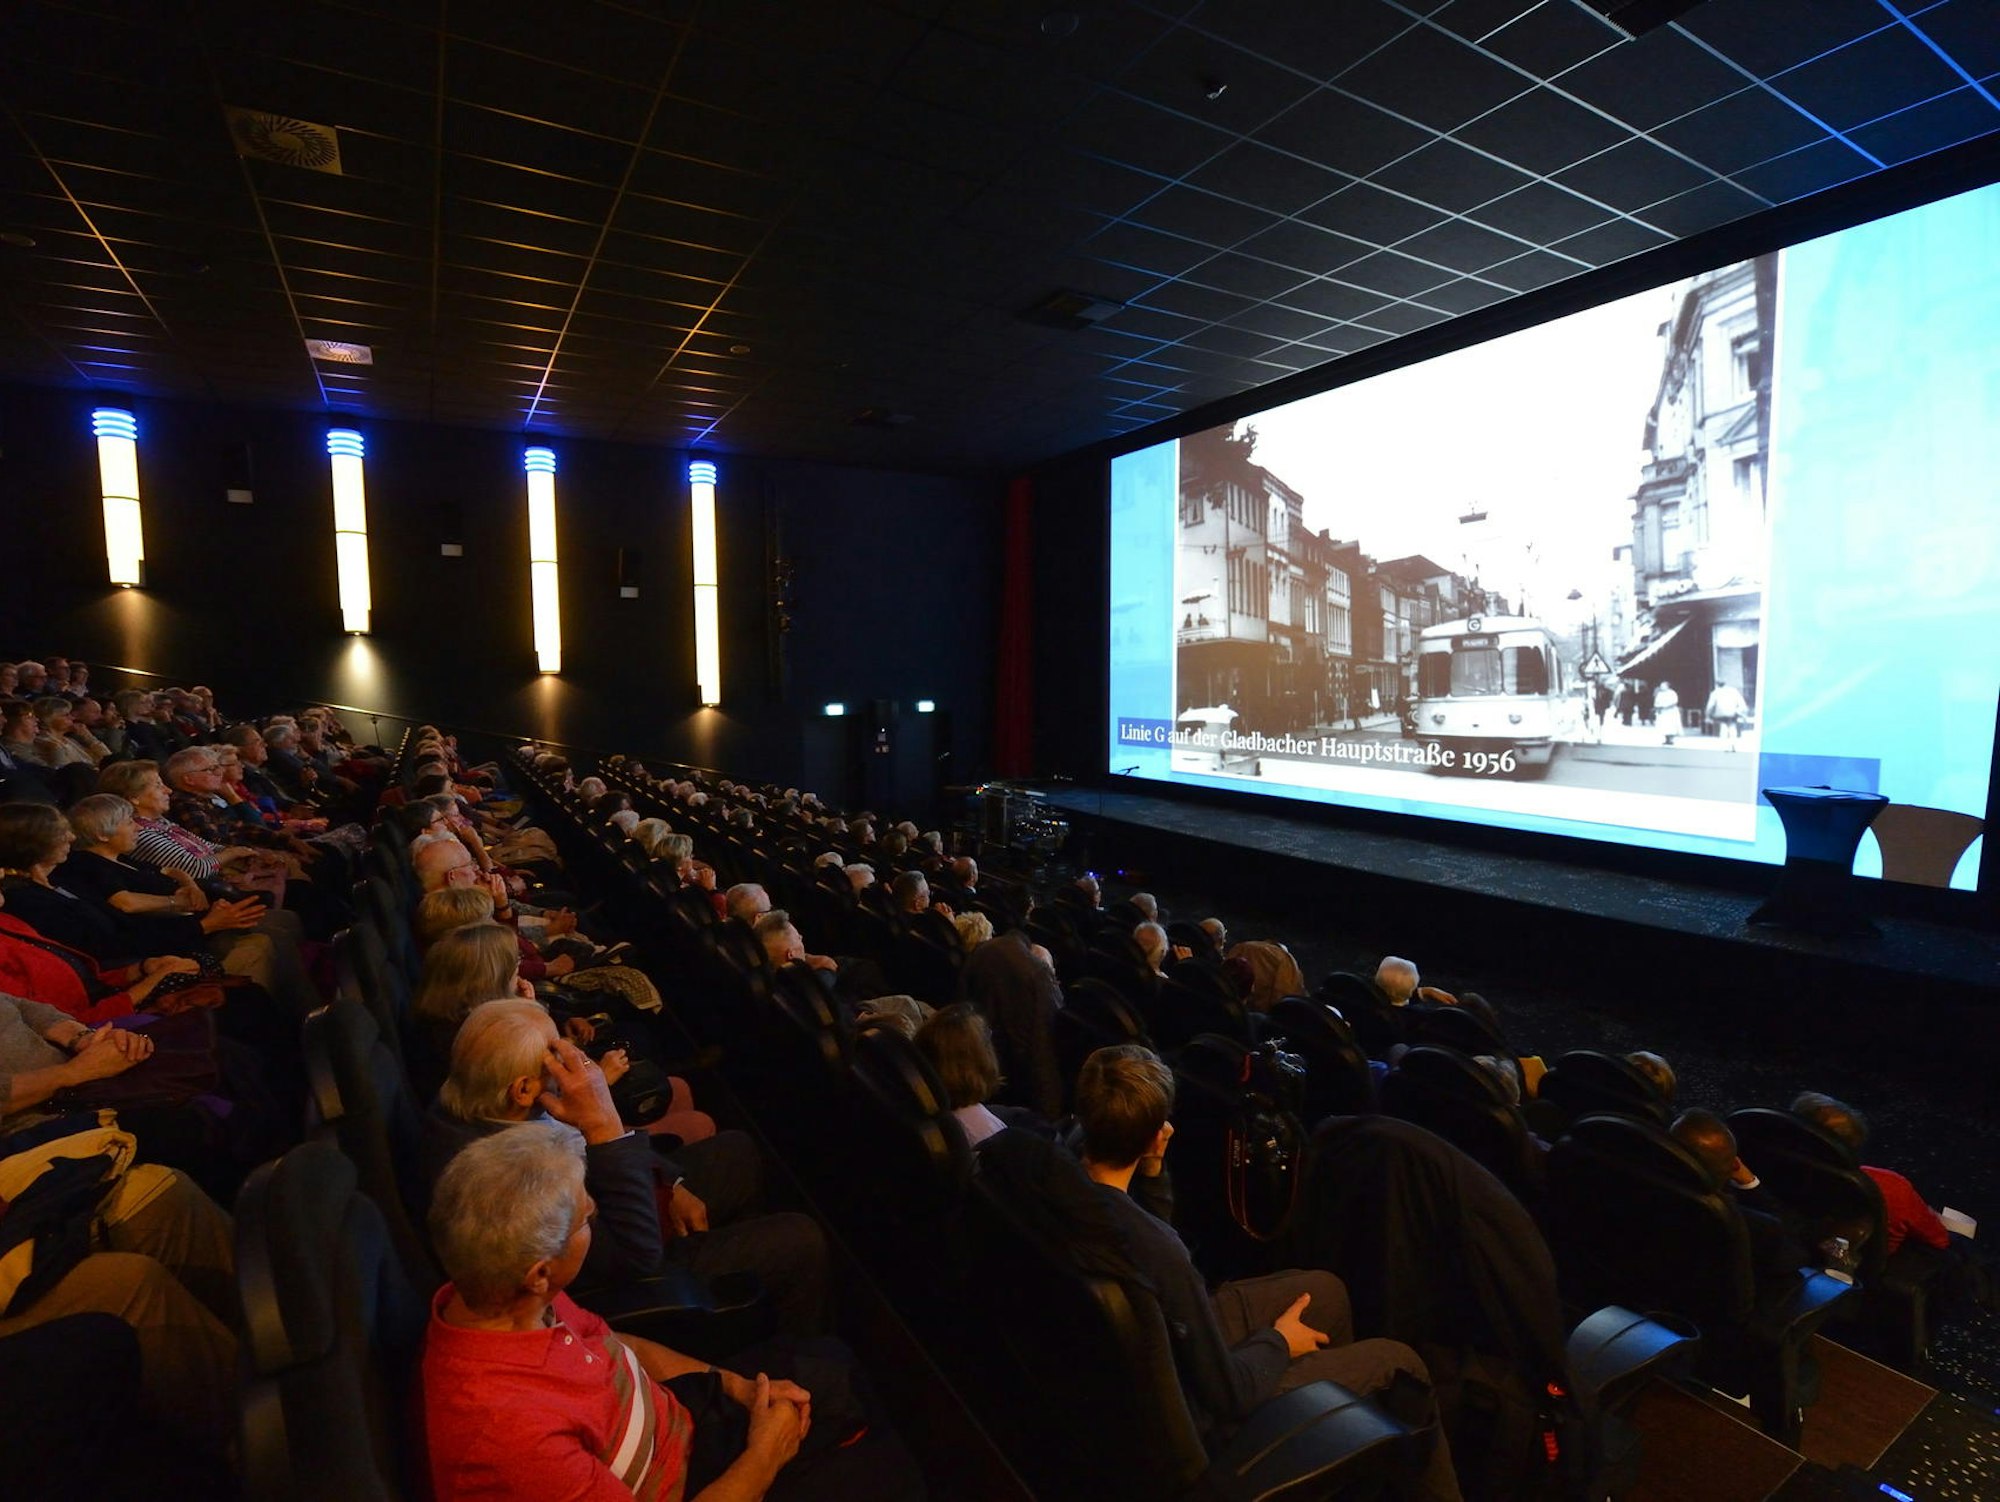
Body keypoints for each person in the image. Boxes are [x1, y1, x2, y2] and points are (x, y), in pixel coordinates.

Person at [419, 1126, 923, 1501]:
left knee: (833, 1367)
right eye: (586, 1219)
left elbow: (621, 1347)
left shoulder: (498, 1295)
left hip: (682, 1418)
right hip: (690, 1482)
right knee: (892, 1473)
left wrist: (736, 1387)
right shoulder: (507, 1437)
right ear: (539, 1273)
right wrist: (767, 1453)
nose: (594, 1217)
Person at [1074, 1046, 1461, 1500]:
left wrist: (1154, 1174)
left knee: (1327, 1291)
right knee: (1402, 1361)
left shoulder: (1064, 1170)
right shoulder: (1161, 1253)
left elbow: (1153, 1242)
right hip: (1205, 1406)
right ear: (1155, 1135)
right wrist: (1280, 1341)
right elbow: (1229, 1391)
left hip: (1165, 1342)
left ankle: (1342, 1457)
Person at [422, 1001, 829, 1339]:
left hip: (613, 1194)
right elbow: (637, 1256)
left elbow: (595, 1151)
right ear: (525, 1088)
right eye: (554, 1053)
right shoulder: (509, 1175)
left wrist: (671, 1179)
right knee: (801, 1238)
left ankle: (744, 1296)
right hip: (627, 1265)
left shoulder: (470, 1098)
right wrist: (603, 1124)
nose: (570, 1058)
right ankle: (788, 1349)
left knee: (738, 1151)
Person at [1705, 681, 1748, 750]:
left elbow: (1710, 706)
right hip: (1732, 713)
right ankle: (1733, 744)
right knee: (1732, 727)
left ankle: (1725, 746)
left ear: (1717, 684)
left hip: (1720, 714)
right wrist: (1742, 713)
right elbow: (1741, 703)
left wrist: (1708, 715)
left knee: (1723, 728)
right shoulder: (1734, 691)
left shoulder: (1715, 692)